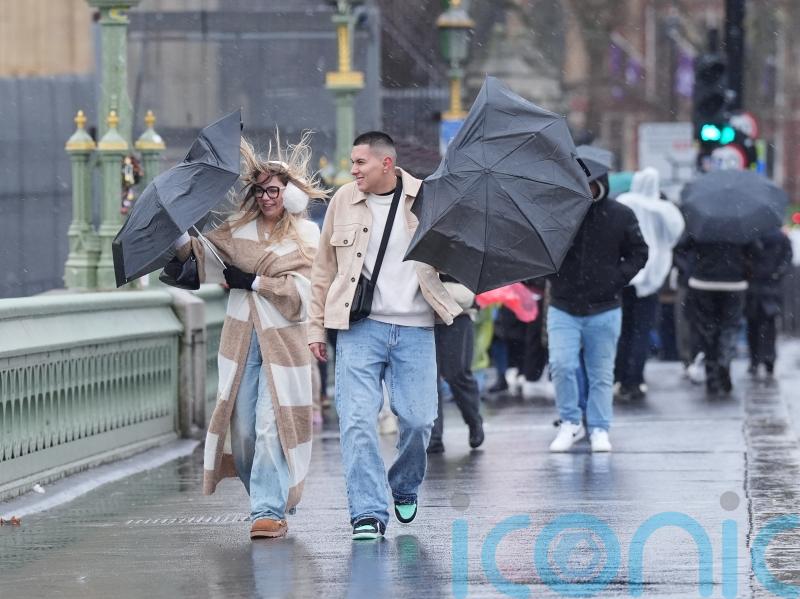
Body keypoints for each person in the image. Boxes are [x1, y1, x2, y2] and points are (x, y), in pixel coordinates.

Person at [308, 131, 462, 540]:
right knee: (357, 421)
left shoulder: (428, 198)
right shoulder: (343, 200)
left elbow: (453, 257)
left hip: (415, 328)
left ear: (386, 164)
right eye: (352, 162)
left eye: (360, 162)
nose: (353, 170)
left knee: (418, 421)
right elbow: (323, 269)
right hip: (360, 327)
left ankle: (404, 484)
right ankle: (367, 513)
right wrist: (316, 328)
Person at [173, 135, 327, 540]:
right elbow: (201, 259)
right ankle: (266, 492)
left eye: (272, 190)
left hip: (283, 343)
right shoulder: (237, 231)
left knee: (268, 425)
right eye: (258, 191)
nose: (265, 197)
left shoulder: (308, 237)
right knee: (241, 433)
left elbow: (304, 296)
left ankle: (268, 508)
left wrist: (256, 281)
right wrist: (177, 230)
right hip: (241, 341)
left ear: (289, 192)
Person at [546, 154, 648, 453]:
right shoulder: (559, 214)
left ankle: (600, 427)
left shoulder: (621, 215)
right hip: (564, 304)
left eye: (588, 184)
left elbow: (639, 252)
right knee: (561, 365)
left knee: (601, 372)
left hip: (605, 306)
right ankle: (570, 421)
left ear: (598, 183)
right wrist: (553, 277)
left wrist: (617, 279)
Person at [614, 168, 685, 400]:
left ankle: (620, 375)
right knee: (641, 330)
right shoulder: (664, 210)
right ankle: (635, 378)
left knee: (623, 329)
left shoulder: (624, 203)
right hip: (652, 278)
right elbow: (675, 235)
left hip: (626, 276)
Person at [677, 232, 753, 396]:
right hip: (734, 283)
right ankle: (724, 361)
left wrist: (691, 269)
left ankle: (711, 374)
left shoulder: (701, 224)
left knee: (707, 329)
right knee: (730, 327)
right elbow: (755, 251)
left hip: (703, 282)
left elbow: (680, 249)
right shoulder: (742, 225)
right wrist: (744, 267)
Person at [427, 277, 484, 454]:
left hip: (458, 316)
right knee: (428, 378)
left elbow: (467, 295)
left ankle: (474, 420)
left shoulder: (460, 250)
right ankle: (434, 436)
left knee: (457, 373)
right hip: (423, 318)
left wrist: (434, 287)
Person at [745, 228, 793, 377]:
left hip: (754, 287)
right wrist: (777, 273)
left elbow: (745, 259)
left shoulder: (750, 236)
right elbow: (787, 258)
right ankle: (768, 359)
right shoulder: (780, 237)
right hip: (771, 287)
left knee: (753, 326)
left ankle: (755, 360)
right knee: (769, 325)